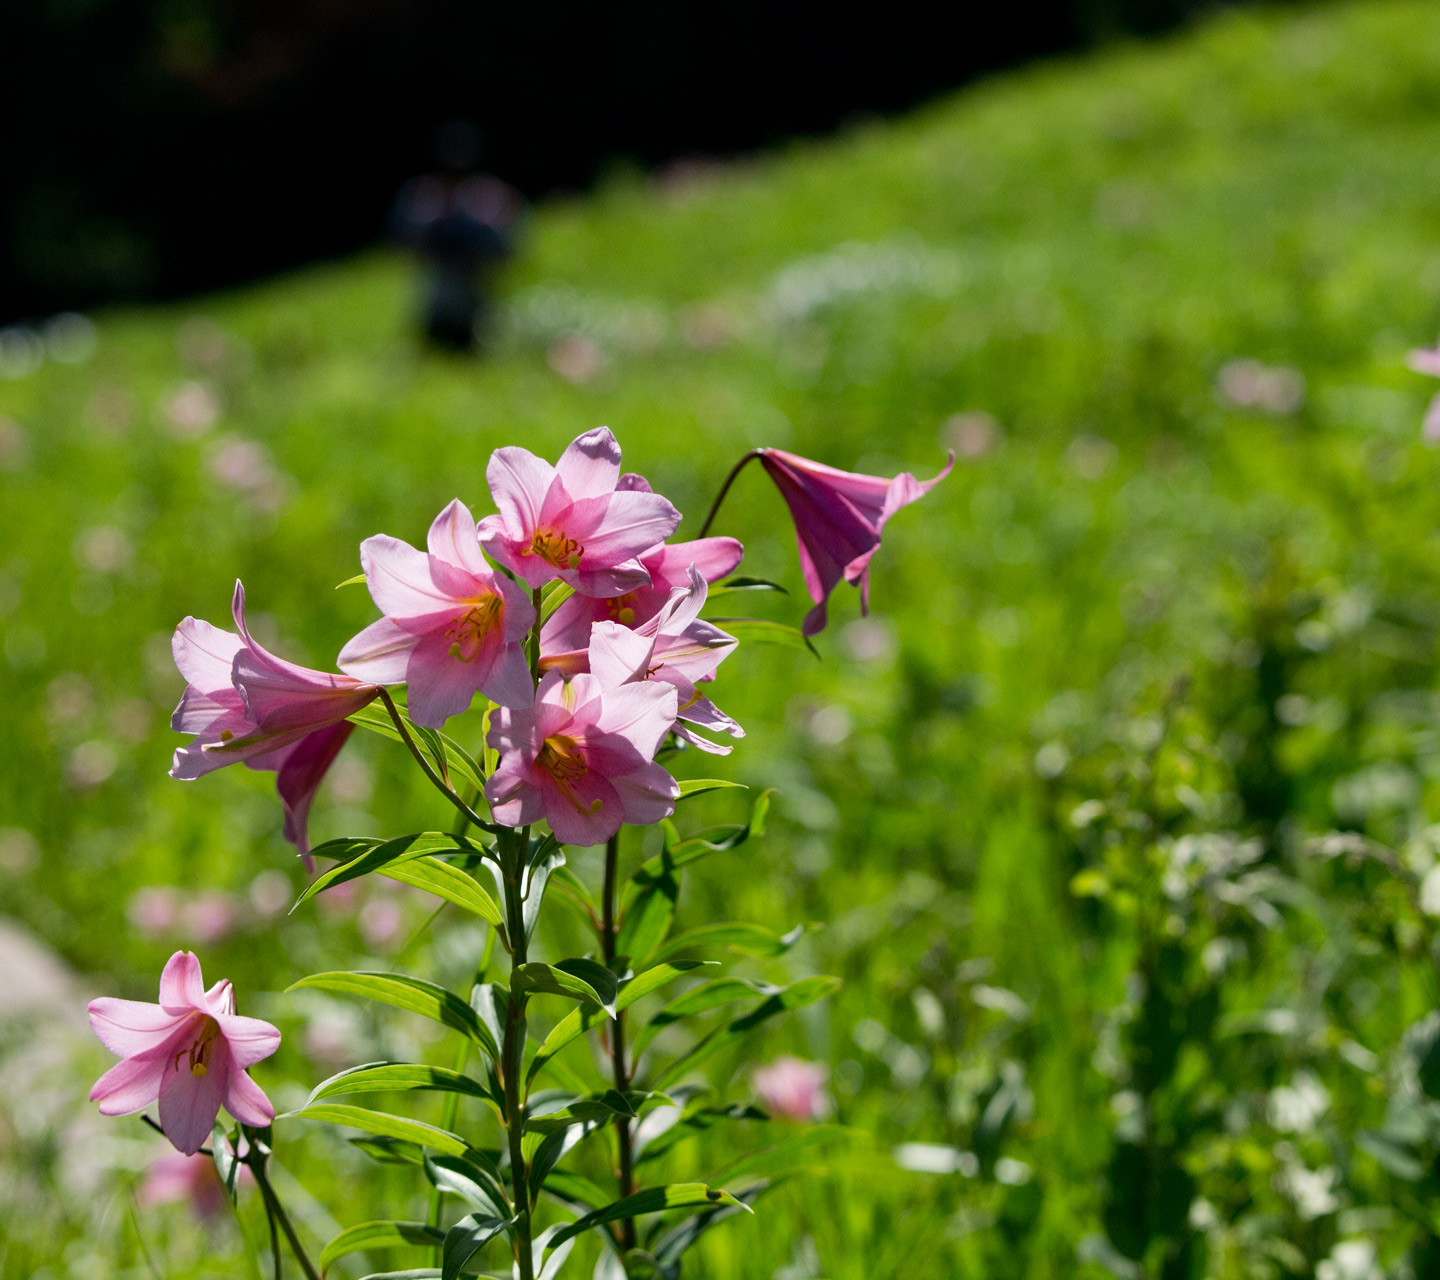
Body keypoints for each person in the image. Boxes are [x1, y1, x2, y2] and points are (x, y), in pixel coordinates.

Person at [391, 122, 521, 351]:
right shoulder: (423, 197)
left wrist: (473, 236)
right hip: (436, 301)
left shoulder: (491, 196)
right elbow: (403, 243)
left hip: (479, 298)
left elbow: (508, 249)